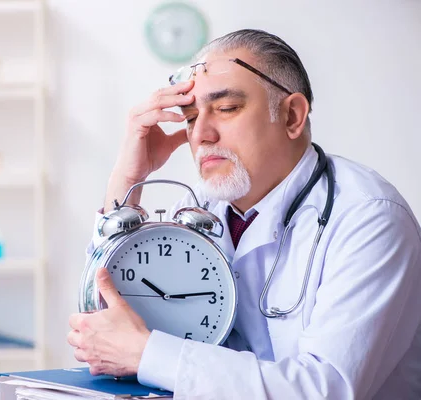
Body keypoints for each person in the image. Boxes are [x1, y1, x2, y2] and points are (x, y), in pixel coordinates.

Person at [67, 29, 421, 399]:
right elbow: (105, 320)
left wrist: (146, 354)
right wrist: (128, 179)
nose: (200, 134)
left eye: (225, 109)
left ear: (292, 116)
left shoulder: (369, 218)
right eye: (189, 117)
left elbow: (324, 389)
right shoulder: (195, 210)